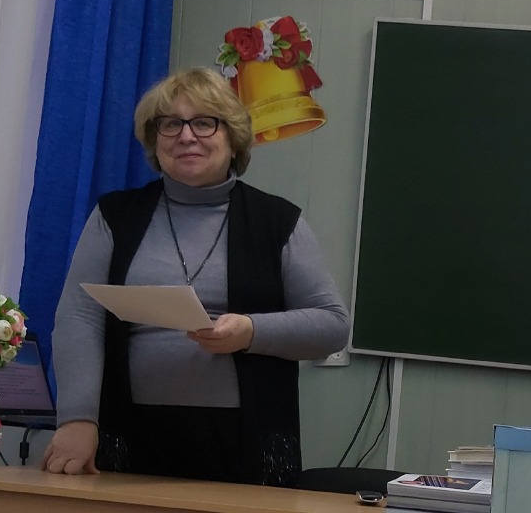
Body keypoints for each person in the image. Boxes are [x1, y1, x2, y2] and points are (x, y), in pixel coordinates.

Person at [41, 67, 349, 486]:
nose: (186, 136)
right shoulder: (115, 216)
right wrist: (77, 418)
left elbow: (332, 325)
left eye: (204, 122)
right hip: (125, 434)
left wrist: (251, 331)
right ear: (155, 139)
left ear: (232, 136)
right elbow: (80, 318)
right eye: (170, 124)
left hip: (244, 442)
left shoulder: (278, 221)